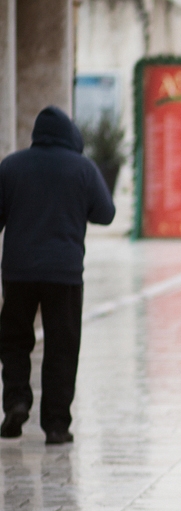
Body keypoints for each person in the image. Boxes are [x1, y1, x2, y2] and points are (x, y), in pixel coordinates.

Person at [0, 106, 115, 444]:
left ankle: (16, 401)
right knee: (62, 346)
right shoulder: (82, 168)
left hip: (19, 271)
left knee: (13, 339)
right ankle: (56, 425)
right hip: (65, 274)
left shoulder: (11, 166)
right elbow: (106, 213)